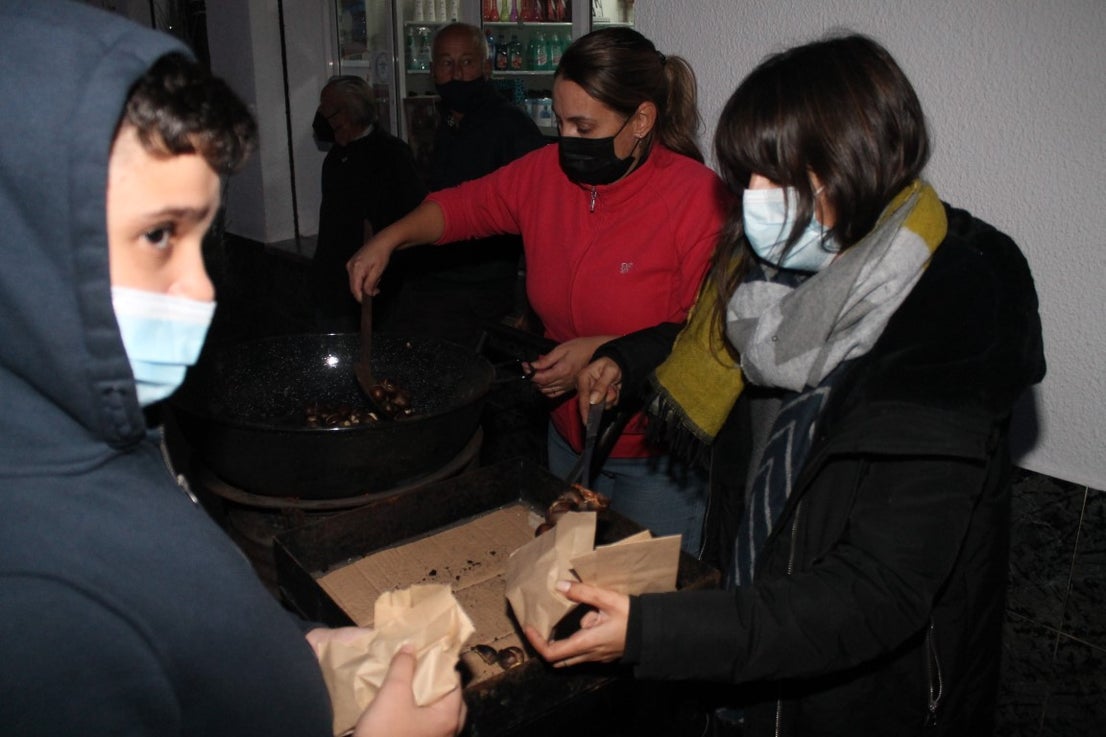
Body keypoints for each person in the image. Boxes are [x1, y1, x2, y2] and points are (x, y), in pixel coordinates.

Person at [523, 33, 1046, 737]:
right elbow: (702, 355)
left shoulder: (947, 328)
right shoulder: (764, 286)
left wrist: (658, 630)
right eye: (745, 179)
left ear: (850, 169)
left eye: (774, 178)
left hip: (862, 698)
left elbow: (879, 591)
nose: (750, 203)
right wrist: (630, 352)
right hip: (757, 649)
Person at [0, 3, 463, 736]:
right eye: (158, 233)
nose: (202, 288)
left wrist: (289, 651)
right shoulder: (34, 605)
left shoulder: (99, 422)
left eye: (200, 234)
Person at [347, 27, 730, 554]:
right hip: (567, 434)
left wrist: (600, 351)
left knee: (640, 610)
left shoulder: (697, 199)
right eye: (560, 118)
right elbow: (462, 208)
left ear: (641, 120)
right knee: (563, 586)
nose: (565, 138)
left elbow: (704, 334)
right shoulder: (544, 175)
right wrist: (390, 239)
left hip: (656, 456)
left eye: (584, 125)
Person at [384, 22, 548, 348]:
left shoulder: (510, 126)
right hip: (433, 276)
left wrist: (530, 304)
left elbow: (541, 213)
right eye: (446, 63)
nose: (457, 73)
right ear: (433, 70)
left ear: (486, 67)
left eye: (467, 62)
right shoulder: (444, 120)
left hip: (479, 288)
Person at [311, 75, 427, 332]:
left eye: (327, 108)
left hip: (375, 288)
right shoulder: (336, 156)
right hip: (333, 285)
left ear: (348, 112)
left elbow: (410, 217)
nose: (321, 115)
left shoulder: (391, 155)